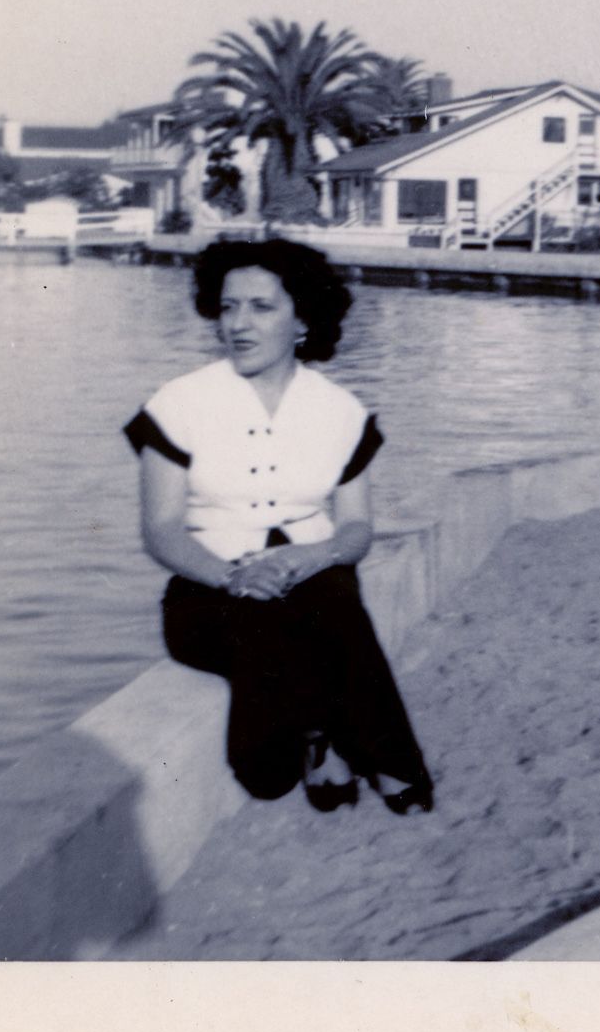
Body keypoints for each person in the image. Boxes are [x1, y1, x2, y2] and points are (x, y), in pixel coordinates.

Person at [124, 237, 435, 814]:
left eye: (260, 307)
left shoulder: (342, 412)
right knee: (283, 627)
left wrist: (310, 556)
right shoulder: (178, 403)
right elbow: (161, 531)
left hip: (314, 581)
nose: (238, 324)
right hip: (207, 590)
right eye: (228, 307)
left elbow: (355, 529)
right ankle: (337, 742)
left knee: (331, 598)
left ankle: (366, 754)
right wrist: (233, 577)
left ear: (303, 320)